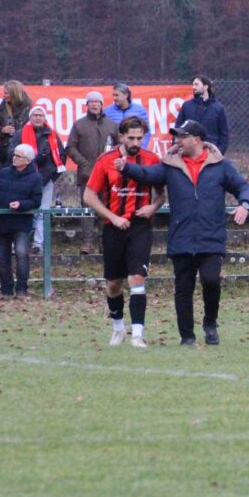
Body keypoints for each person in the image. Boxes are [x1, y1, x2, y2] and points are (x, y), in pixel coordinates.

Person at [117, 120, 249, 346]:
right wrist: (126, 167)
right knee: (183, 288)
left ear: (197, 140)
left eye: (182, 136)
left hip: (211, 236)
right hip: (181, 237)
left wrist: (245, 205)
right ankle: (186, 336)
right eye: (176, 136)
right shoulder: (170, 165)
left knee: (211, 281)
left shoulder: (220, 165)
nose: (176, 141)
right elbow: (147, 174)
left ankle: (210, 323)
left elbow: (242, 186)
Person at [84, 116, 164, 348]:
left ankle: (137, 335)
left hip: (140, 226)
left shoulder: (151, 159)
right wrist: (112, 217)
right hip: (113, 227)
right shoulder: (106, 160)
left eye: (140, 137)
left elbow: (161, 192)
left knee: (136, 278)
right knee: (114, 284)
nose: (136, 142)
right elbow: (89, 196)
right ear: (121, 136)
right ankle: (118, 327)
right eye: (131, 138)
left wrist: (154, 206)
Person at [0, 144, 43, 297]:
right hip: (1, 222)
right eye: (14, 155)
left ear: (27, 161)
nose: (14, 158)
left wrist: (21, 205)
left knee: (21, 253)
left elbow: (36, 201)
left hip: (21, 222)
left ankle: (22, 289)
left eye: (18, 156)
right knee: (2, 258)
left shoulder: (36, 177)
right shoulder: (3, 173)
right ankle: (6, 290)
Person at [9, 106, 66, 253]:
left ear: (45, 117)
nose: (38, 118)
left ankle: (38, 244)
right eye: (35, 115)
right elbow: (11, 154)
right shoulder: (20, 134)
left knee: (42, 212)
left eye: (41, 115)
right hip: (23, 181)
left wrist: (52, 177)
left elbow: (61, 157)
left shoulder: (52, 135)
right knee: (22, 211)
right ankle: (18, 245)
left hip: (46, 180)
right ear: (30, 117)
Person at [67, 91, 118, 254]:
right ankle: (87, 243)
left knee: (106, 208)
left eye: (98, 102)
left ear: (102, 105)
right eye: (91, 102)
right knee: (87, 209)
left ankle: (106, 242)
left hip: (108, 176)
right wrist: (83, 163)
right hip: (87, 175)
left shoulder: (112, 125)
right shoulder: (79, 124)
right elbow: (70, 147)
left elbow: (119, 147)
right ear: (87, 105)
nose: (95, 105)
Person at [175, 75, 229, 154]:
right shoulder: (187, 106)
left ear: (206, 87)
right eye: (193, 85)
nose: (193, 87)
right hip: (189, 153)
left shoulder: (218, 108)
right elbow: (178, 129)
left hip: (211, 153)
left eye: (196, 84)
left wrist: (219, 152)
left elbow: (224, 133)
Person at [0, 80, 32, 168]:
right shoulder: (3, 106)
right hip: (5, 151)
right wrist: (2, 130)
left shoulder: (29, 108)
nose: (4, 95)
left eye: (6, 93)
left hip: (23, 152)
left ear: (14, 94)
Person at [104, 82, 151, 148]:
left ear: (126, 95)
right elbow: (105, 133)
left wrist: (140, 148)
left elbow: (146, 132)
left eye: (117, 95)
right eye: (113, 95)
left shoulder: (140, 110)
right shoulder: (107, 111)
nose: (114, 98)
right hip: (115, 152)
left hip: (135, 150)